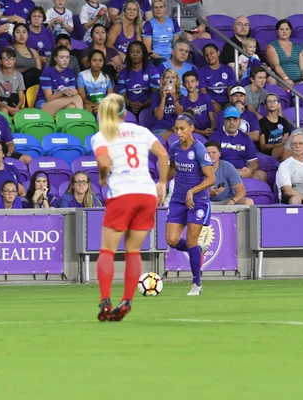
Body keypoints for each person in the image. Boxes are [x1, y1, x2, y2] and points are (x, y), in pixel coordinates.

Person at [90, 93, 168, 321]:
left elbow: (104, 162)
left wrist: (103, 177)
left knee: (107, 250)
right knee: (133, 250)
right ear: (125, 112)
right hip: (146, 194)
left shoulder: (102, 135)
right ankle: (127, 299)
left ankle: (105, 300)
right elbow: (163, 154)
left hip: (122, 194)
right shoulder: (141, 131)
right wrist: (162, 183)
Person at [165, 108, 215, 296]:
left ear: (191, 129)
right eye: (176, 129)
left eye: (182, 129)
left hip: (197, 201)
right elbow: (171, 169)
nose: (178, 133)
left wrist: (192, 191)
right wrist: (163, 184)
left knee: (192, 240)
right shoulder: (175, 148)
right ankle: (197, 250)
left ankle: (197, 284)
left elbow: (211, 178)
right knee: (172, 240)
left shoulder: (199, 149)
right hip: (178, 200)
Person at [209, 106, 265, 181]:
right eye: (229, 120)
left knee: (261, 175)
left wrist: (249, 169)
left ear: (240, 120)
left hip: (242, 173)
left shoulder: (246, 138)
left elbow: (253, 161)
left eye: (235, 119)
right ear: (224, 120)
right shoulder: (214, 137)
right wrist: (233, 172)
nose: (232, 123)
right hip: (222, 173)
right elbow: (211, 163)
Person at [36, 45, 83, 117]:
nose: (65, 60)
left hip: (63, 103)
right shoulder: (47, 72)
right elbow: (48, 98)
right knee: (76, 98)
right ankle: (82, 120)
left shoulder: (70, 72)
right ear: (55, 58)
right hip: (44, 105)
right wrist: (62, 93)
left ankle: (74, 126)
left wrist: (74, 92)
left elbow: (72, 93)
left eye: (67, 57)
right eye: (62, 57)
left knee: (71, 107)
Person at [116, 41, 159, 115]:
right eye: (132, 52)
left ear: (143, 54)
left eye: (138, 52)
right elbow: (123, 98)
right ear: (128, 54)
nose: (135, 54)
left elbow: (156, 94)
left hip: (149, 108)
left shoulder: (151, 69)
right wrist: (132, 105)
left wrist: (143, 105)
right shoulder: (123, 73)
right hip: (129, 109)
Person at [205, 140, 253, 205]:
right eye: (208, 153)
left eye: (214, 152)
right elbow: (194, 194)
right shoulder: (198, 168)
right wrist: (209, 193)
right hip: (207, 201)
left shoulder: (227, 166)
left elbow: (241, 190)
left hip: (227, 200)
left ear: (219, 154)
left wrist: (233, 201)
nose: (211, 155)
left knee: (248, 201)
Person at [266, 19, 303, 86]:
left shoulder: (298, 47)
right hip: (281, 80)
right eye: (281, 29)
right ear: (277, 31)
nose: (284, 31)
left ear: (290, 31)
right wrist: (286, 79)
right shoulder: (272, 46)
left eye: (287, 29)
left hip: (298, 81)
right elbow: (276, 66)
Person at [199, 43, 236, 113]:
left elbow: (230, 90)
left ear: (218, 53)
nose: (209, 56)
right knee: (214, 108)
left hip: (226, 101)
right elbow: (203, 92)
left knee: (231, 109)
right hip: (211, 101)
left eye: (212, 53)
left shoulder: (228, 70)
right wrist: (210, 102)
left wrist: (232, 102)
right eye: (206, 55)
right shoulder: (201, 71)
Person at [142, 0, 181, 64]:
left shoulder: (173, 22)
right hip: (155, 57)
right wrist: (161, 59)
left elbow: (176, 45)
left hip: (172, 56)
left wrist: (173, 58)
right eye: (156, 7)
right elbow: (147, 49)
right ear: (152, 10)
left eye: (161, 7)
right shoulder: (148, 24)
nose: (158, 9)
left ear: (165, 9)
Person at [0, 47, 26, 116]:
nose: (8, 60)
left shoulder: (19, 75)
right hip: (1, 103)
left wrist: (16, 108)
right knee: (4, 110)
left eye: (11, 58)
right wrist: (9, 108)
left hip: (14, 103)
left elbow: (21, 98)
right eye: (5, 58)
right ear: (0, 61)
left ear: (14, 60)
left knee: (28, 112)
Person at [8, 23, 42, 90]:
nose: (21, 35)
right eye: (18, 32)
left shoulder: (34, 52)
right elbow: (9, 71)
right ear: (13, 35)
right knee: (33, 71)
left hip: (34, 84)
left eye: (24, 32)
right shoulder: (9, 50)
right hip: (16, 82)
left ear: (28, 35)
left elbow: (38, 72)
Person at [181, 70, 214, 137]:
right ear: (184, 85)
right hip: (195, 134)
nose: (190, 84)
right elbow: (188, 124)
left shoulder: (205, 97)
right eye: (187, 82)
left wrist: (212, 129)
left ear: (197, 83)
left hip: (209, 131)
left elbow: (212, 117)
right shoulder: (184, 102)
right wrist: (202, 132)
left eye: (192, 81)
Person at [258, 93, 290, 161]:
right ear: (265, 106)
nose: (272, 103)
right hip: (270, 151)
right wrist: (278, 144)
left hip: (283, 149)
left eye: (274, 101)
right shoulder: (261, 122)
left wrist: (281, 144)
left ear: (279, 105)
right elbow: (263, 146)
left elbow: (286, 139)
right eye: (269, 101)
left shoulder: (283, 121)